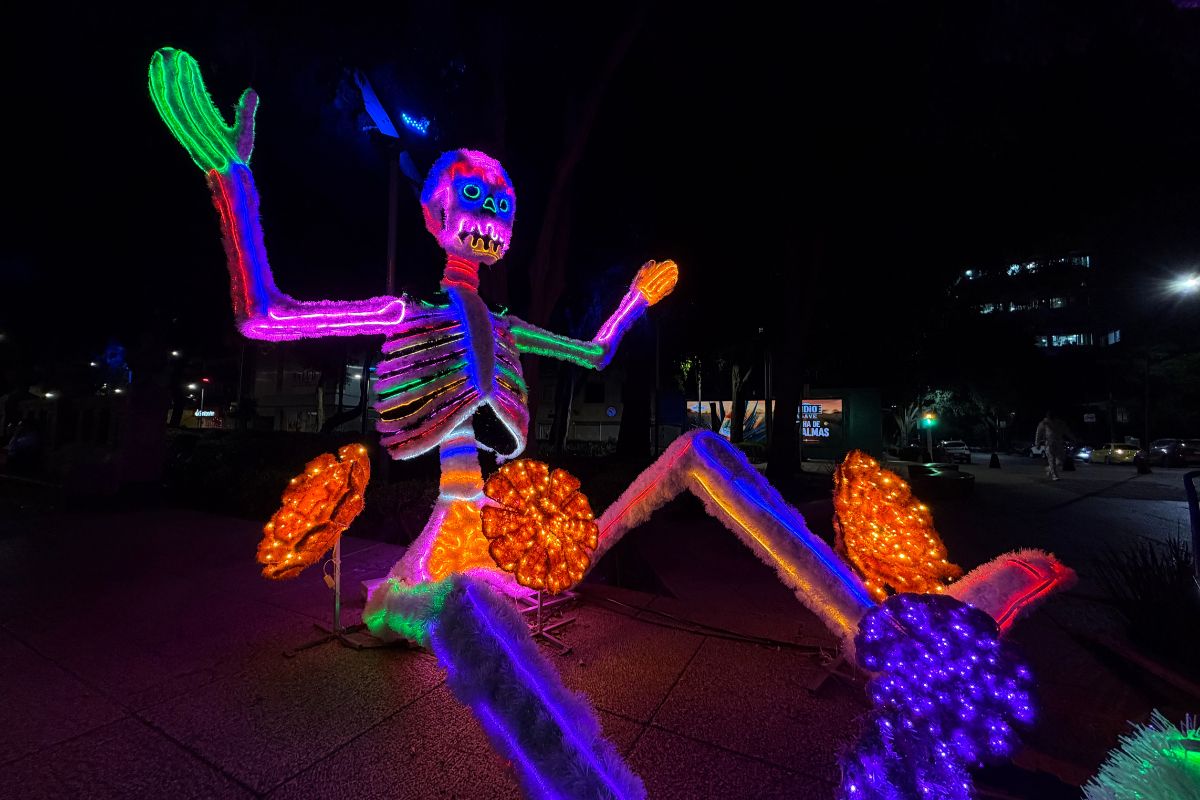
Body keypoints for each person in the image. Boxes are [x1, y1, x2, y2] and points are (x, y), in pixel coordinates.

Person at [1034, 410, 1070, 481]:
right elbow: (1038, 433)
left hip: (1059, 443)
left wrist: (1074, 438)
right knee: (1051, 460)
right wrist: (1037, 443)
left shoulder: (1060, 423)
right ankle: (1054, 476)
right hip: (1049, 443)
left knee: (1061, 460)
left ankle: (1049, 468)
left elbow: (1067, 431)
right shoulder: (1043, 423)